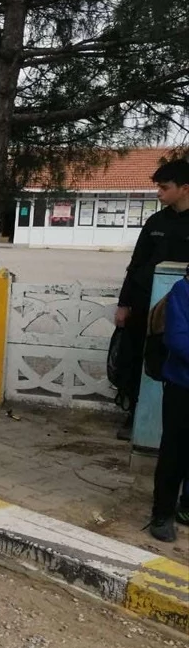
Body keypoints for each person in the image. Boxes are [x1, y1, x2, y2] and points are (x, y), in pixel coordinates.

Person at [114, 159, 189, 439]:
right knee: (136, 361)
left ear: (184, 188)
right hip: (145, 306)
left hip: (181, 312)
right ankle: (134, 416)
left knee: (175, 363)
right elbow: (135, 265)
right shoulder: (156, 221)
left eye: (164, 187)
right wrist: (124, 304)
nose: (159, 193)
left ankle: (166, 427)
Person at [148, 264, 189, 542]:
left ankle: (186, 507)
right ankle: (162, 513)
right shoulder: (182, 291)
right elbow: (177, 339)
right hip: (182, 386)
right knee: (174, 451)